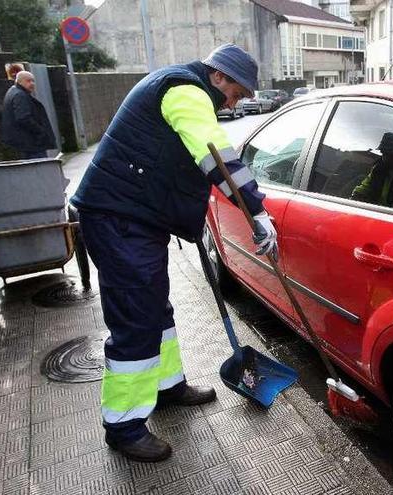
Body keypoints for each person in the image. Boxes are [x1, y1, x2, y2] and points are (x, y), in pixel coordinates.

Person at [70, 44, 278, 463]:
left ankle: (167, 386)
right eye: (235, 94)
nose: (233, 103)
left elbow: (179, 159)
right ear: (218, 77)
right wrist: (255, 209)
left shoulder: (181, 86)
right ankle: (125, 426)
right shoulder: (185, 90)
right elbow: (213, 151)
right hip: (119, 218)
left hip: (136, 217)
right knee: (136, 317)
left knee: (155, 311)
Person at [0, 71, 56, 159]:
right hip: (31, 143)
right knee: (39, 168)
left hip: (24, 143)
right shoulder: (20, 95)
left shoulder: (13, 92)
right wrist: (40, 131)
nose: (32, 84)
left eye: (33, 81)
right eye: (28, 81)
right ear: (19, 81)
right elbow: (23, 118)